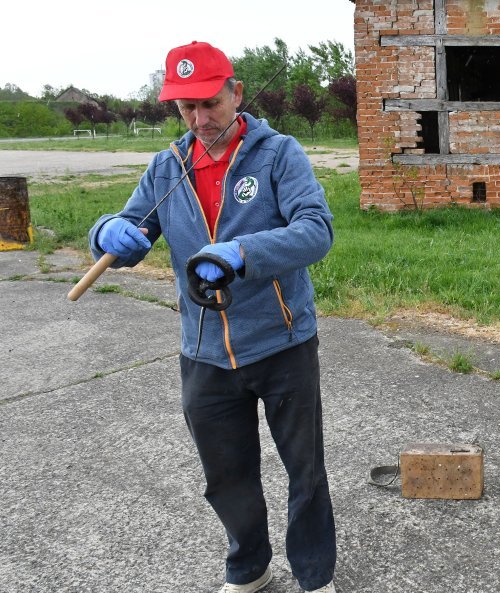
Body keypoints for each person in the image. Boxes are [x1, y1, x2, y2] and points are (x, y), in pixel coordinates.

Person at [88, 41, 338, 593]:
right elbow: (134, 231)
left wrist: (244, 252)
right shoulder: (166, 166)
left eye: (210, 104)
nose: (201, 120)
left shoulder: (279, 154)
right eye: (186, 109)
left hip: (282, 342)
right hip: (202, 350)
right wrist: (105, 232)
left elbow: (316, 230)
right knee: (226, 477)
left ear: (236, 94)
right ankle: (249, 570)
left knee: (305, 471)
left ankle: (315, 577)